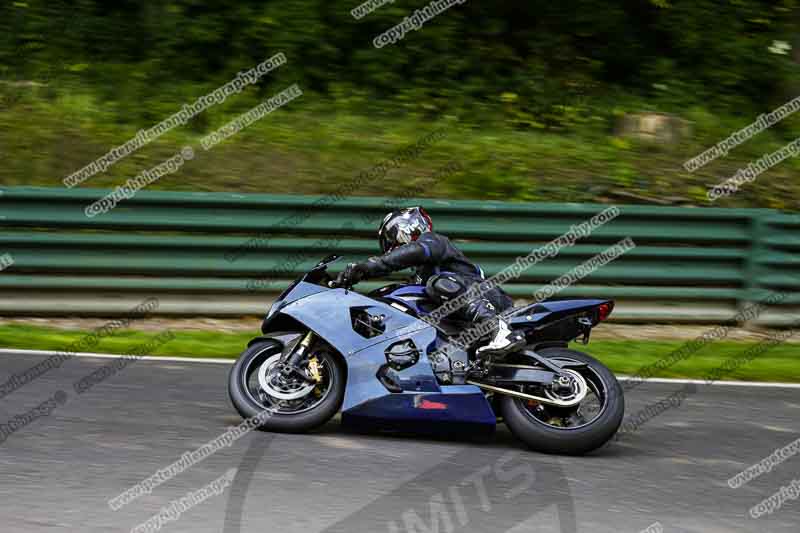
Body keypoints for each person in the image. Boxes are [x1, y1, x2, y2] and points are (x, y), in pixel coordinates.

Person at [335, 206, 524, 358]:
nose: (390, 247)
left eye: (390, 240)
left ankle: (499, 329)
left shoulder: (434, 242)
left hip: (493, 300)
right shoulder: (420, 275)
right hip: (463, 326)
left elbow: (414, 252)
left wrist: (366, 267)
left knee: (439, 283)